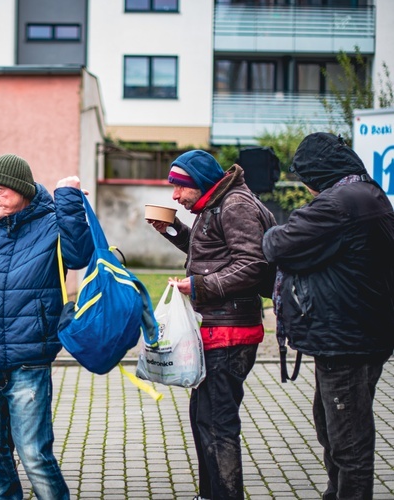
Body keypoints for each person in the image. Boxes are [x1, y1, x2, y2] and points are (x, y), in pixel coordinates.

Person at [0, 154, 94, 500]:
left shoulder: (52, 224)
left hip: (29, 361)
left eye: (0, 189)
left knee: (34, 455)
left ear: (22, 190)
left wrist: (68, 198)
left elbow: (80, 254)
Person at [262, 132, 394, 500]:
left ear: (318, 172)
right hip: (366, 333)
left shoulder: (338, 203)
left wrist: (278, 236)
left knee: (348, 441)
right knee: (332, 427)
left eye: (307, 180)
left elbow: (277, 244)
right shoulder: (368, 194)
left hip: (345, 340)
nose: (307, 190)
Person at [148, 150, 275, 500]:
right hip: (216, 330)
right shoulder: (214, 204)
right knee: (204, 418)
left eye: (178, 187)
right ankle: (210, 494)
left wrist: (200, 286)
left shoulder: (235, 205)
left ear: (198, 183)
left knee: (217, 425)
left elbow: (253, 264)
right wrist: (172, 228)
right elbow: (209, 250)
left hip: (231, 332)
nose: (174, 196)